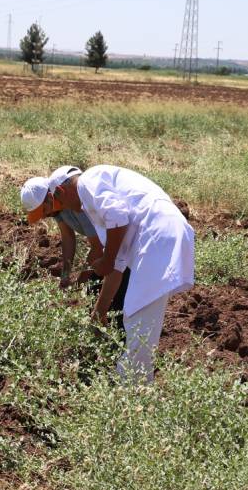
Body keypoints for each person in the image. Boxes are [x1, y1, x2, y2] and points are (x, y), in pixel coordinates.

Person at [47, 164, 194, 383]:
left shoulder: (88, 182)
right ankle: (137, 388)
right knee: (137, 318)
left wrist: (106, 259)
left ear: (60, 191)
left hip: (156, 237)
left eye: (61, 204)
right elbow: (117, 266)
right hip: (159, 238)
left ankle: (133, 390)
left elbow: (117, 220)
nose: (67, 210)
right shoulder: (97, 205)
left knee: (138, 320)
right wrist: (100, 311)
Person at [20, 169, 132, 327]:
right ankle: (101, 328)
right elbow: (67, 238)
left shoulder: (76, 204)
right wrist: (65, 275)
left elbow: (97, 248)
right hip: (110, 252)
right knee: (94, 289)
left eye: (43, 210)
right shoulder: (57, 211)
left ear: (50, 197)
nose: (44, 216)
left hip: (119, 249)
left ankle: (117, 333)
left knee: (106, 292)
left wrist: (79, 283)